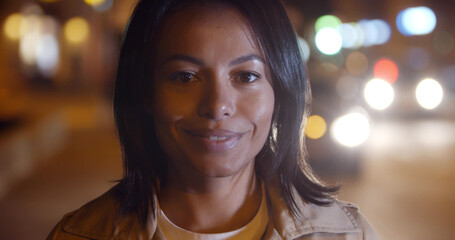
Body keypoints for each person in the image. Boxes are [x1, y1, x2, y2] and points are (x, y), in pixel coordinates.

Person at [47, 0, 378, 239]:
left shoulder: (346, 234)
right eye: (185, 77)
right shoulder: (79, 235)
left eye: (246, 76)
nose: (217, 106)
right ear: (146, 92)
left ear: (280, 90)